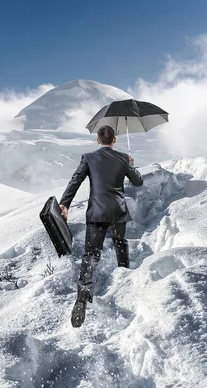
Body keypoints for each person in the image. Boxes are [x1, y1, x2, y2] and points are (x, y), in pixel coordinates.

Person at [59, 125, 143, 327]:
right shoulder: (123, 158)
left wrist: (65, 204)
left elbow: (75, 181)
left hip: (97, 212)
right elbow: (138, 181)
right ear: (114, 140)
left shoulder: (88, 157)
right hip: (117, 211)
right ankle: (124, 280)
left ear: (98, 141)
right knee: (120, 243)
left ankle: (84, 291)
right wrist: (131, 165)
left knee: (91, 253)